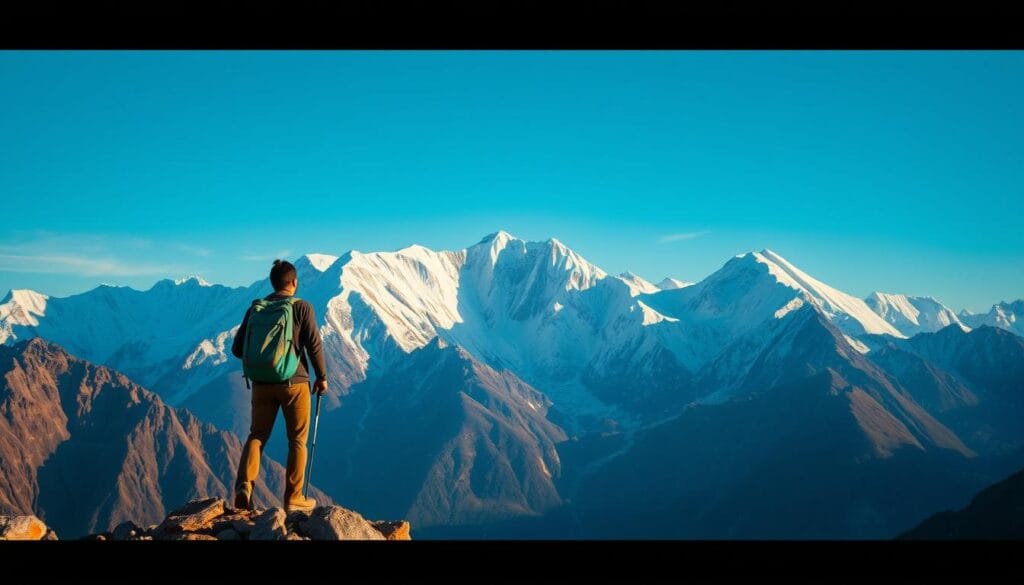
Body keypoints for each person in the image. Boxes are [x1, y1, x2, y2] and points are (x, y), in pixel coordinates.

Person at [230, 259, 328, 513]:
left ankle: (244, 486)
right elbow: (314, 345)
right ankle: (294, 498)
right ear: (294, 282)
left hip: (261, 384)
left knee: (257, 436)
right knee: (297, 440)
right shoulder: (302, 307)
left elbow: (237, 349)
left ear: (273, 283)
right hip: (293, 383)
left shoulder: (255, 310)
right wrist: (322, 376)